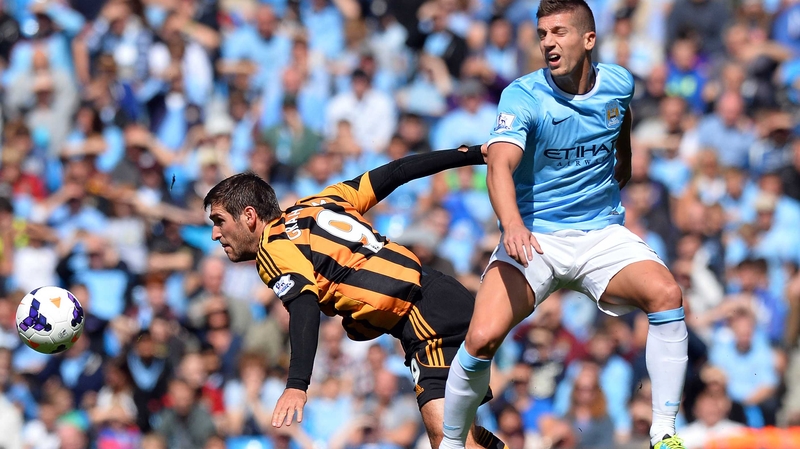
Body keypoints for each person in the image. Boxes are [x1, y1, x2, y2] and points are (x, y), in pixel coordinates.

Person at [439, 2, 688, 449]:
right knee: (481, 338)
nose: (548, 43)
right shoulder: (523, 96)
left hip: (599, 234)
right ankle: (452, 443)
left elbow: (621, 117)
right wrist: (512, 224)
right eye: (542, 34)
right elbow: (498, 166)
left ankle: (664, 433)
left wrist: (624, 162)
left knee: (667, 294)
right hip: (535, 236)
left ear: (588, 39)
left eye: (559, 32)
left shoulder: (618, 83)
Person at [202, 145, 505, 449]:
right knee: (466, 436)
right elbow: (398, 171)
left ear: (249, 216)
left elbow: (304, 305)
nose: (216, 234)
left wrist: (297, 384)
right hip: (441, 293)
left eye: (219, 221)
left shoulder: (273, 248)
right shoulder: (322, 201)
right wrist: (472, 153)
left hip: (424, 321)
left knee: (448, 441)